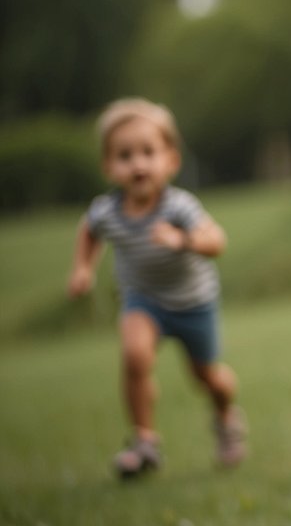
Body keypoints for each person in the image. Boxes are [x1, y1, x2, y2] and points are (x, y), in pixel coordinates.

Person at [67, 97, 246, 479]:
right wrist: (83, 267)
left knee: (207, 377)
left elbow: (217, 241)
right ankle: (144, 440)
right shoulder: (107, 211)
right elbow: (88, 230)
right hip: (143, 299)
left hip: (194, 304)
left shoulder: (179, 207)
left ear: (171, 161)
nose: (138, 163)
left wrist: (183, 241)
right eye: (125, 155)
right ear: (108, 166)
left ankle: (227, 416)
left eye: (148, 152)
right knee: (135, 356)